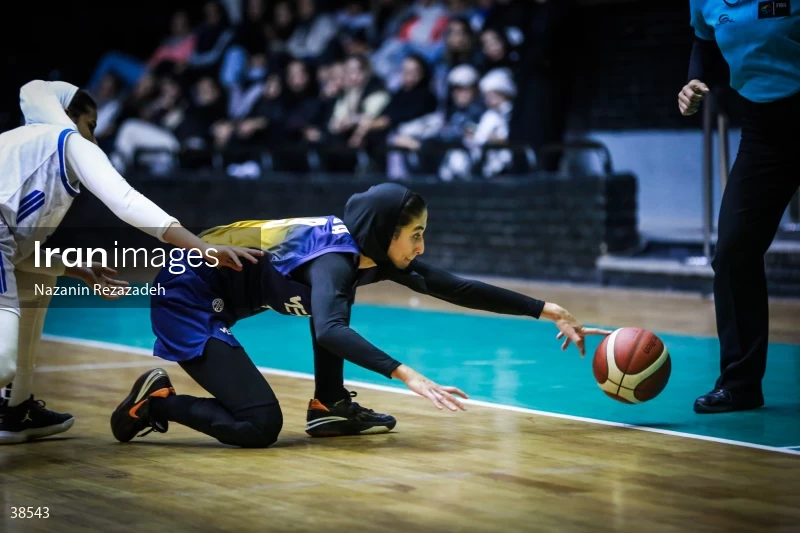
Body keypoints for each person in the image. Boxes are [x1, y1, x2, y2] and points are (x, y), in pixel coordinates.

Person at [110, 183, 611, 448]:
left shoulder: (367, 251)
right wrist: (406, 374)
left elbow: (450, 286)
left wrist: (545, 309)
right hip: (185, 293)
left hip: (219, 286)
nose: (422, 245)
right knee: (259, 426)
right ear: (384, 232)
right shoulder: (334, 262)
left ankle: (328, 405)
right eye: (415, 234)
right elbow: (329, 328)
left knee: (332, 313)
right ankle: (155, 404)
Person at [0, 80, 262, 444]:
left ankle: (17, 409)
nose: (93, 138)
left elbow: (18, 254)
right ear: (67, 115)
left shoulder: (21, 145)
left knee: (33, 288)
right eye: (90, 125)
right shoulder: (64, 139)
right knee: (2, 361)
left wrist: (74, 268)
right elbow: (126, 201)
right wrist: (198, 247)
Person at [680, 2, 800, 413]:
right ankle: (741, 384)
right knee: (733, 252)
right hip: (764, 133)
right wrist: (694, 79)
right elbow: (704, 40)